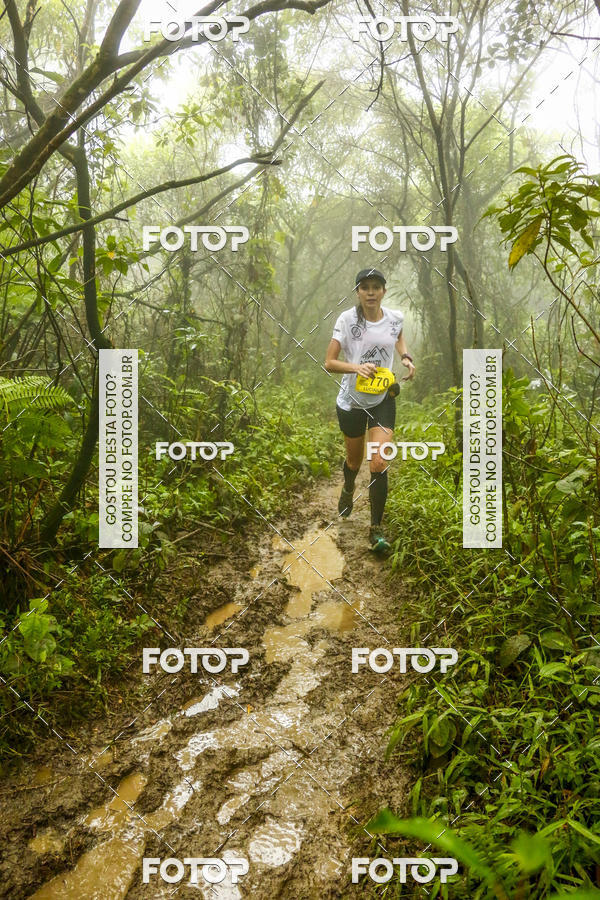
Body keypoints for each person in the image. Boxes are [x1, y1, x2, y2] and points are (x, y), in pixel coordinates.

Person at [324, 268, 415, 552]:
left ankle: (376, 529)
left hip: (382, 399)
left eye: (376, 287)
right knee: (354, 461)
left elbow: (397, 337)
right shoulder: (347, 320)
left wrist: (406, 357)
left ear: (384, 291)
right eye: (365, 287)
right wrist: (356, 367)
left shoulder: (394, 318)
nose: (371, 292)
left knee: (378, 461)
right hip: (352, 402)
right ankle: (349, 488)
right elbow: (330, 362)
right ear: (358, 292)